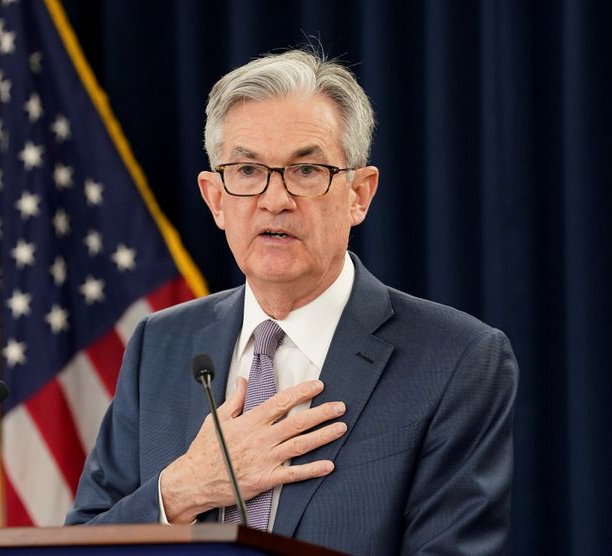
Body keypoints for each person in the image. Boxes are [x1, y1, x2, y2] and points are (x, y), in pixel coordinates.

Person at [66, 49, 518, 555]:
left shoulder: (456, 360)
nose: (274, 198)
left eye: (306, 170)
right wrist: (180, 491)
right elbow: (84, 542)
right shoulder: (161, 343)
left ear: (359, 195)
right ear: (216, 198)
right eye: (247, 170)